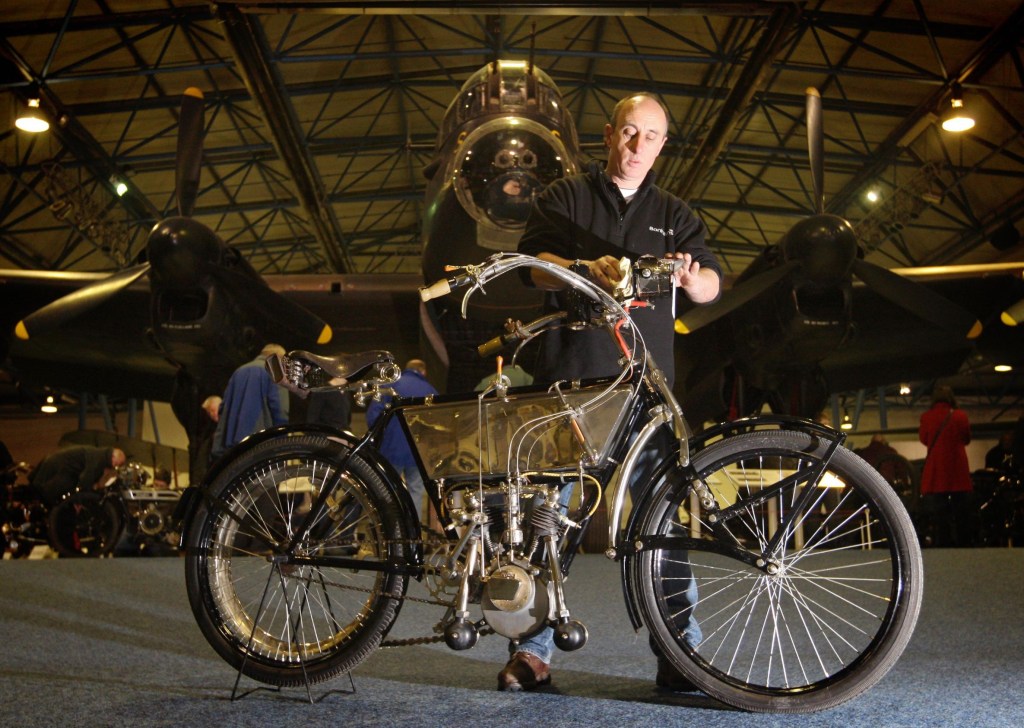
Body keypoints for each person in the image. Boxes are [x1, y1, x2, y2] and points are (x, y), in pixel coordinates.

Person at [501, 92, 722, 693]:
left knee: (663, 526)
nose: (636, 147)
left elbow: (710, 286)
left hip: (645, 393)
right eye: (628, 133)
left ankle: (680, 654)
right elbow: (529, 264)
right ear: (607, 135)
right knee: (552, 522)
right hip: (570, 386)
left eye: (650, 137)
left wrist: (687, 275)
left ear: (662, 145)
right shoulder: (564, 197)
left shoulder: (675, 212)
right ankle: (533, 651)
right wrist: (581, 266)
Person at [365, 358, 438, 519]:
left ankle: (390, 530)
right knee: (416, 491)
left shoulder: (389, 385)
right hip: (418, 451)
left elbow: (372, 416)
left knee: (387, 490)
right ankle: (414, 536)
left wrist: (380, 438)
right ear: (423, 371)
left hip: (391, 449)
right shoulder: (430, 389)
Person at [211, 344, 289, 461]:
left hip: (232, 446)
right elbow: (280, 410)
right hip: (260, 444)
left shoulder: (238, 372)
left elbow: (223, 407)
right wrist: (282, 441)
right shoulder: (275, 371)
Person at [918, 385, 973, 547]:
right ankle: (964, 543)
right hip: (958, 468)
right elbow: (967, 439)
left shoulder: (926, 417)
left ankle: (943, 543)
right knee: (961, 510)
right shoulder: (960, 416)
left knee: (940, 511)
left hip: (938, 468)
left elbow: (924, 439)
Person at [29, 445, 127, 508]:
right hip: (58, 467)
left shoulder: (100, 457)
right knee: (42, 492)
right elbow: (86, 478)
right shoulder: (98, 457)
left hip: (62, 467)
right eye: (115, 463)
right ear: (113, 456)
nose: (114, 466)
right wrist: (80, 501)